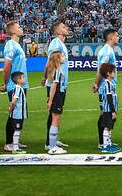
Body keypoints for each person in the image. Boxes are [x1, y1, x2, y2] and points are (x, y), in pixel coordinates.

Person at [1, 21, 29, 151]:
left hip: (22, 85)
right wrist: (6, 84)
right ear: (12, 31)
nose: (21, 28)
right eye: (18, 27)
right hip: (14, 86)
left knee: (20, 112)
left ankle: (15, 141)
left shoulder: (17, 45)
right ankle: (8, 142)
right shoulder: (11, 45)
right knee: (13, 113)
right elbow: (6, 67)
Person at [43, 21, 70, 151]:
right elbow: (50, 61)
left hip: (60, 84)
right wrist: (45, 77)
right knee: (55, 114)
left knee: (55, 114)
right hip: (56, 84)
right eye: (63, 27)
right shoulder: (55, 43)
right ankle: (50, 144)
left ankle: (52, 141)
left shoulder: (60, 44)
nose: (66, 28)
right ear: (58, 31)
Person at [93, 28, 118, 150]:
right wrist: (97, 84)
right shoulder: (107, 51)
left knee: (106, 115)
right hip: (106, 87)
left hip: (107, 86)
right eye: (116, 36)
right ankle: (103, 142)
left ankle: (106, 141)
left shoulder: (107, 50)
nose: (118, 38)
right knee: (106, 115)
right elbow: (101, 68)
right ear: (111, 37)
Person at [46, 50, 67, 154]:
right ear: (58, 59)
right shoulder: (57, 70)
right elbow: (54, 86)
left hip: (59, 95)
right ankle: (52, 147)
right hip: (57, 96)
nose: (64, 57)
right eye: (62, 56)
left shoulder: (56, 69)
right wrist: (50, 101)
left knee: (56, 120)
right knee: (55, 120)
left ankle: (52, 145)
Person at [97, 63, 120, 153]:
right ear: (108, 73)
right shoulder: (107, 84)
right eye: (113, 72)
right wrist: (113, 111)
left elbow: (101, 97)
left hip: (109, 109)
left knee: (110, 127)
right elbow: (108, 97)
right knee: (107, 127)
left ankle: (108, 143)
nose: (115, 73)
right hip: (109, 110)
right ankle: (105, 146)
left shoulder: (109, 83)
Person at [6, 71, 27, 154]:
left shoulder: (19, 88)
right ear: (18, 80)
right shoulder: (18, 88)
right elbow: (14, 100)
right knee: (17, 129)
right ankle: (15, 147)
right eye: (23, 77)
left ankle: (15, 144)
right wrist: (11, 108)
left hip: (18, 114)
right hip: (17, 114)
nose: (24, 79)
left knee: (18, 129)